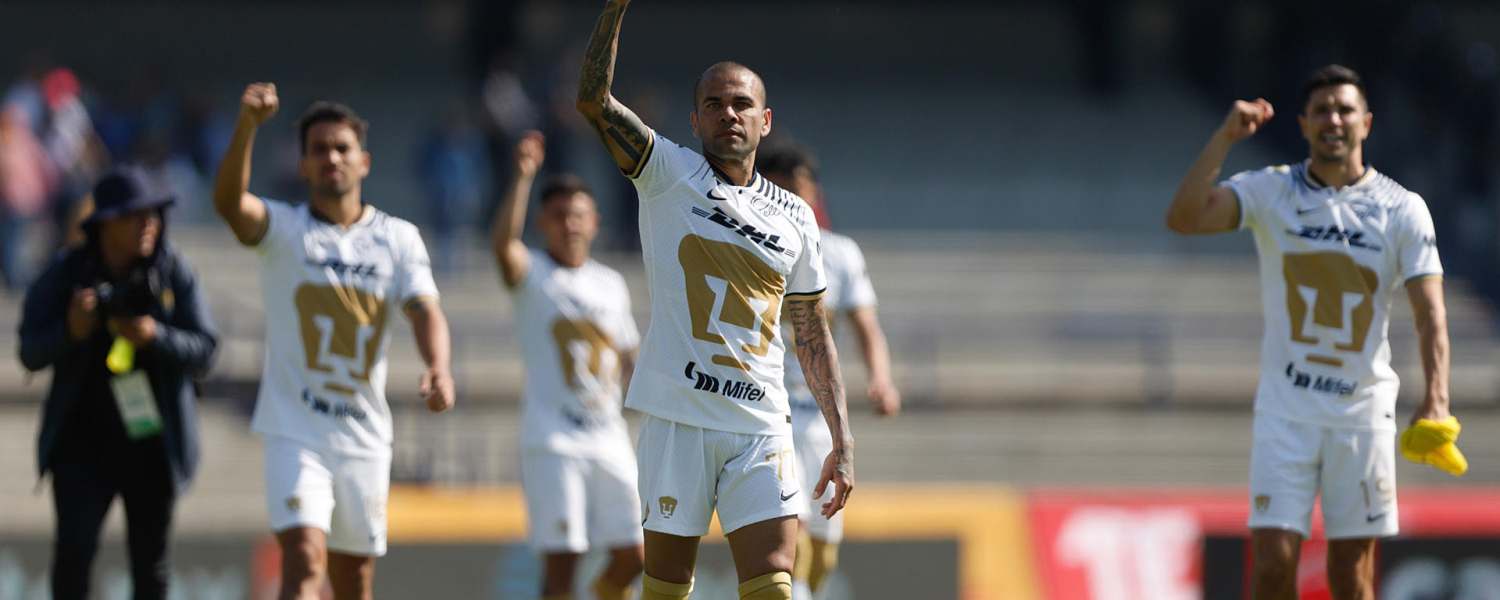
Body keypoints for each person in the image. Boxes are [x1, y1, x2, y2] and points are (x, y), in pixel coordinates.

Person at [576, 2, 855, 599]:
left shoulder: (797, 220)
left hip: (760, 423)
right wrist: (614, 12)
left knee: (777, 584)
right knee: (667, 588)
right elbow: (593, 103)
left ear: (766, 120)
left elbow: (811, 331)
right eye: (713, 104)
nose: (728, 114)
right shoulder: (666, 172)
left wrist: (842, 440)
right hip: (679, 418)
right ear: (695, 121)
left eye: (741, 104)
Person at [1165, 65, 1453, 600]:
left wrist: (1436, 399)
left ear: (1366, 122)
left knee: (1352, 576)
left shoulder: (1402, 209)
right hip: (1286, 414)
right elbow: (1184, 218)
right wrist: (1225, 137)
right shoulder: (1272, 190)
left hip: (1361, 414)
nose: (1333, 120)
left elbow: (1430, 312)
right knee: (1273, 566)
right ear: (1303, 124)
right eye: (1321, 110)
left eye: (1345, 109)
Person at [212, 83, 457, 600]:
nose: (331, 158)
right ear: (301, 165)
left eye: (341, 148)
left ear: (364, 162)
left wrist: (439, 365)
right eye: (319, 149)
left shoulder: (398, 237)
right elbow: (231, 205)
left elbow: (425, 309)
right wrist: (247, 127)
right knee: (303, 558)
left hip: (364, 437)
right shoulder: (283, 229)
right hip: (294, 432)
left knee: (355, 581)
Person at [19, 167, 218, 599]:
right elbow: (28, 351)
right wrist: (70, 332)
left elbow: (207, 349)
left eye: (154, 213)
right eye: (135, 215)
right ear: (105, 223)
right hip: (82, 444)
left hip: (153, 442)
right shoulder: (68, 271)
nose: (150, 223)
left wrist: (154, 336)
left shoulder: (173, 269)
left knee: (152, 565)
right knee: (74, 554)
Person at [491, 130, 645, 600]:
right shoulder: (534, 274)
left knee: (635, 556)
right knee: (563, 563)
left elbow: (628, 354)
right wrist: (521, 176)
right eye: (558, 216)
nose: (569, 225)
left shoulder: (611, 283)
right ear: (541, 222)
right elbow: (503, 247)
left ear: (594, 222)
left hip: (608, 434)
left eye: (577, 216)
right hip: (553, 440)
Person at [756, 140, 900, 599]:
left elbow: (867, 327)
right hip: (769, 408)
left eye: (797, 191)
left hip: (820, 413)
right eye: (778, 191)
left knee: (824, 551)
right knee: (790, 530)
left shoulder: (839, 253)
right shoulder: (748, 245)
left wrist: (882, 378)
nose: (790, 202)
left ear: (814, 192)